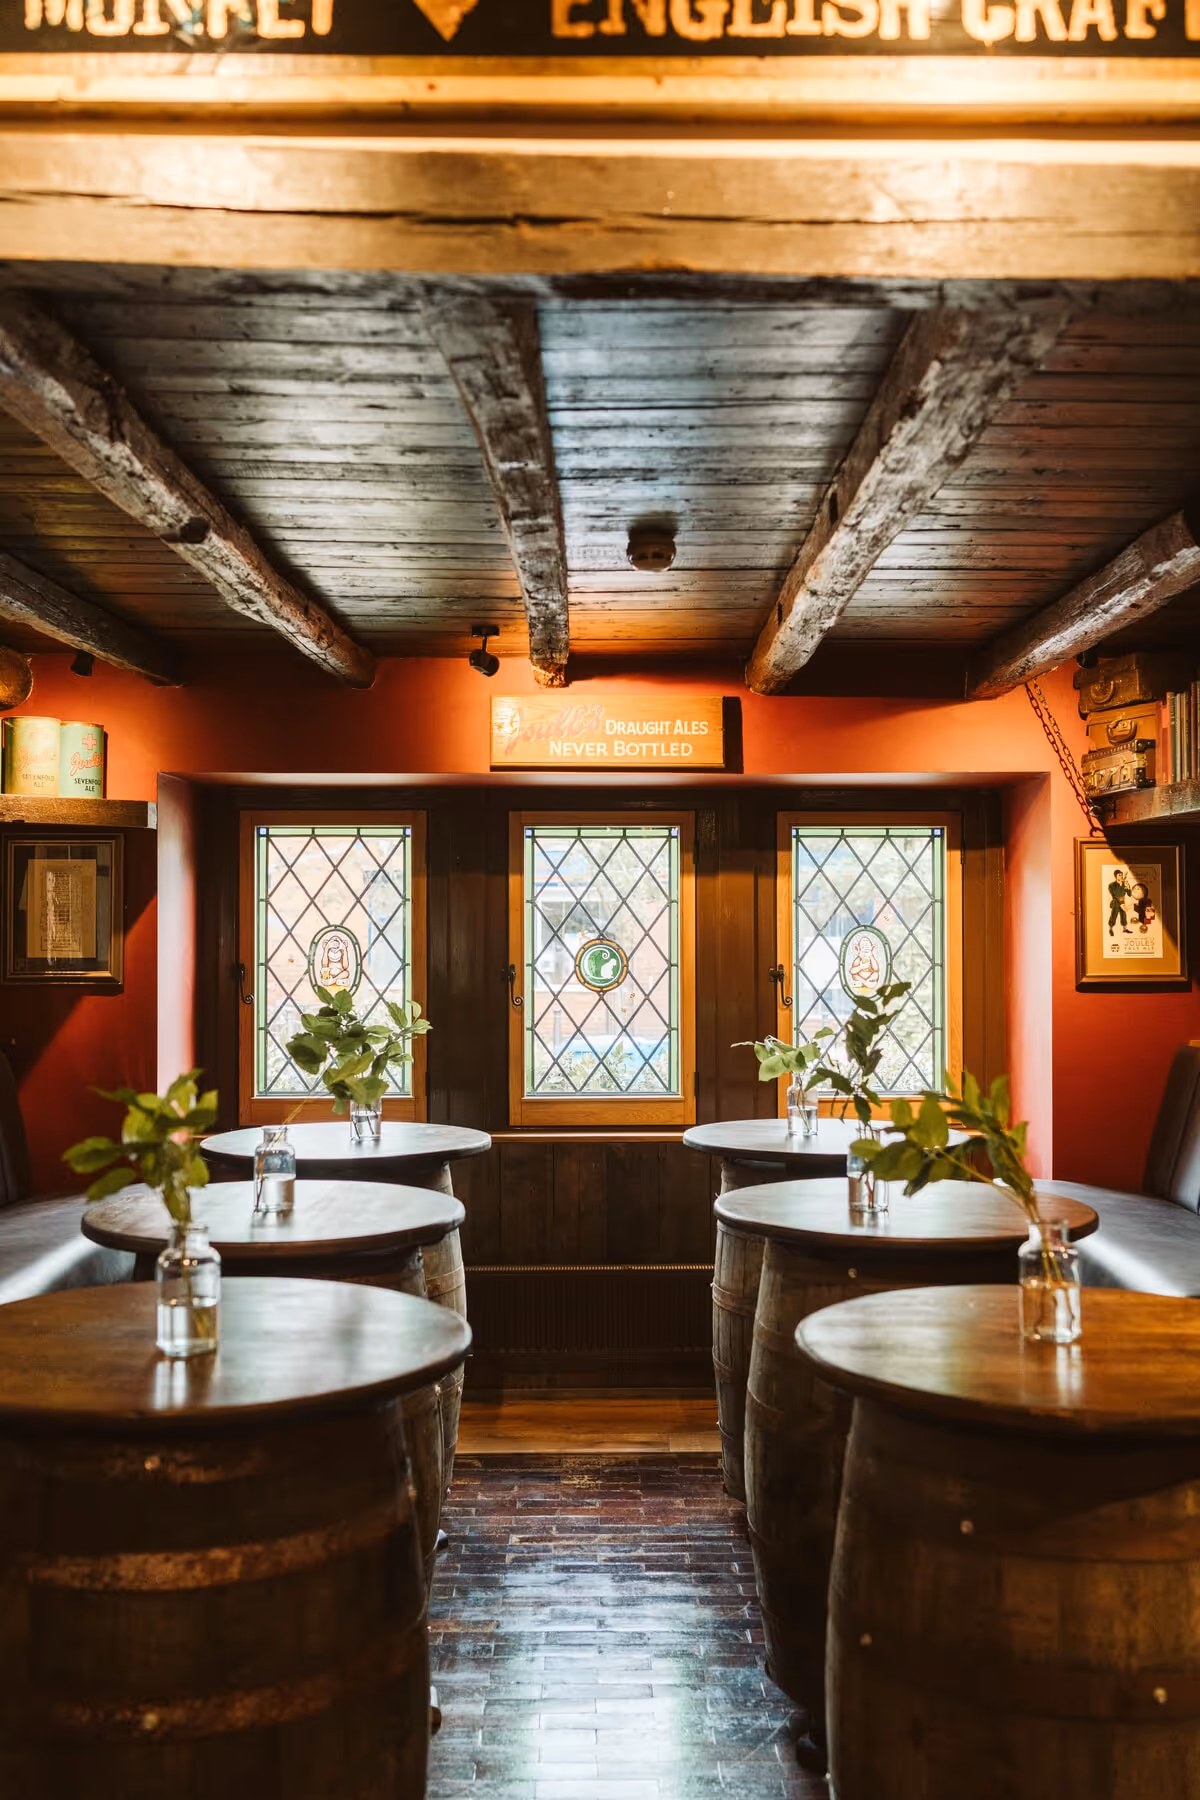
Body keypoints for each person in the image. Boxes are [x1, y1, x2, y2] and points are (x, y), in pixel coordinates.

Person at [1107, 869, 1133, 938]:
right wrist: (1121, 904)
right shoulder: (1111, 885)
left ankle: (1125, 929)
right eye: (1119, 875)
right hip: (1116, 902)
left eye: (1122, 875)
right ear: (1116, 876)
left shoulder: (1124, 884)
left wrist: (1129, 887)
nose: (1121, 876)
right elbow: (1114, 895)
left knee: (1124, 916)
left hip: (1122, 902)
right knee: (1113, 916)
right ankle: (1110, 929)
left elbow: (1129, 894)